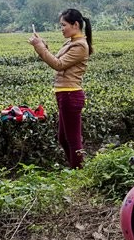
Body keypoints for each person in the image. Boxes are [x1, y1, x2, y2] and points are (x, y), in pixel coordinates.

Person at [28, 9, 93, 168]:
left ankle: (78, 171)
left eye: (63, 25)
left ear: (75, 24)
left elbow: (58, 65)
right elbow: (58, 60)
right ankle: (75, 168)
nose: (61, 28)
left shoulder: (80, 45)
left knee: (72, 139)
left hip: (71, 94)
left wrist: (39, 48)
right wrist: (42, 45)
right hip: (64, 94)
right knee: (63, 138)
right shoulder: (71, 42)